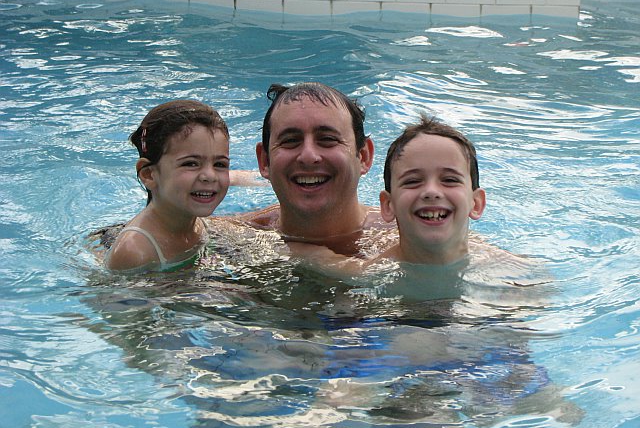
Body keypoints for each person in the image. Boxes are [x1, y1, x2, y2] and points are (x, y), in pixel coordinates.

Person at [233, 82, 395, 257]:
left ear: (363, 156)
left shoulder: (400, 237)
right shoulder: (237, 238)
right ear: (264, 161)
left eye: (327, 139)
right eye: (290, 140)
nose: (308, 156)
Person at [105, 99, 231, 272]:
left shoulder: (197, 224)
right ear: (149, 174)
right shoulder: (135, 252)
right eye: (191, 163)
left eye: (220, 164)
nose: (210, 176)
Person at [378, 114, 486, 265]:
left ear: (476, 203)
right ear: (388, 205)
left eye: (449, 180)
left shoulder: (510, 273)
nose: (431, 191)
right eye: (412, 181)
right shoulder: (363, 273)